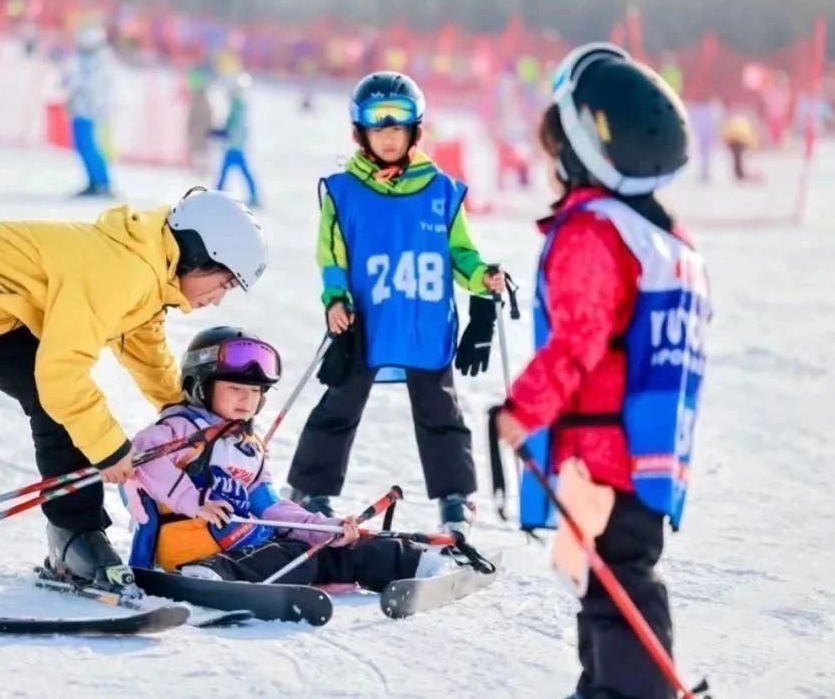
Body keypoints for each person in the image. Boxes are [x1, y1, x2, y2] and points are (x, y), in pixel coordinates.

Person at [0, 189, 269, 612]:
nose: (218, 298)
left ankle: (74, 538)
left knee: (62, 414)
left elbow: (148, 356)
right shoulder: (123, 272)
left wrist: (195, 420)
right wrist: (111, 451)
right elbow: (62, 372)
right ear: (196, 254)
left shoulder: (152, 280)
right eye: (223, 281)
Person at [492, 43, 710, 699]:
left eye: (552, 146)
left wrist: (521, 411)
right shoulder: (661, 236)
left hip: (601, 452)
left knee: (618, 587)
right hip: (646, 453)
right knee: (607, 580)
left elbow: (578, 340)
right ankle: (604, 688)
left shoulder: (592, 233)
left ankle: (633, 692)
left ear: (577, 153)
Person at [285, 71, 506, 534]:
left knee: (440, 411)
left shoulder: (442, 191)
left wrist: (482, 276)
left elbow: (459, 253)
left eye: (398, 126)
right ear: (360, 133)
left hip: (424, 322)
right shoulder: (343, 192)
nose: (388, 137)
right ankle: (310, 490)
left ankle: (455, 498)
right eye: (377, 127)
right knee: (341, 402)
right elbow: (332, 257)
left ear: (414, 130)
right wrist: (335, 299)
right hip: (366, 320)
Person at [121, 327, 459, 587]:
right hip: (194, 551)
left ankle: (411, 563)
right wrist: (194, 501)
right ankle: (210, 575)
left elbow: (270, 507)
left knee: (328, 550)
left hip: (248, 543)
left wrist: (323, 527)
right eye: (235, 389)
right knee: (295, 559)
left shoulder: (248, 448)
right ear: (201, 386)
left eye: (255, 392)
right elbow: (142, 460)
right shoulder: (179, 429)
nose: (247, 400)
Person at [65, 26, 113, 197]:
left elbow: (94, 87)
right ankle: (93, 181)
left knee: (89, 146)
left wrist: (76, 91)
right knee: (81, 146)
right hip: (80, 108)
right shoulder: (85, 58)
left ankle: (102, 182)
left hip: (88, 110)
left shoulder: (99, 60)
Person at [214, 72, 259, 207]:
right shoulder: (237, 105)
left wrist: (225, 133)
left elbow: (235, 127)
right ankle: (253, 195)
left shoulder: (238, 106)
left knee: (228, 172)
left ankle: (217, 195)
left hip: (234, 146)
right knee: (231, 172)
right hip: (235, 145)